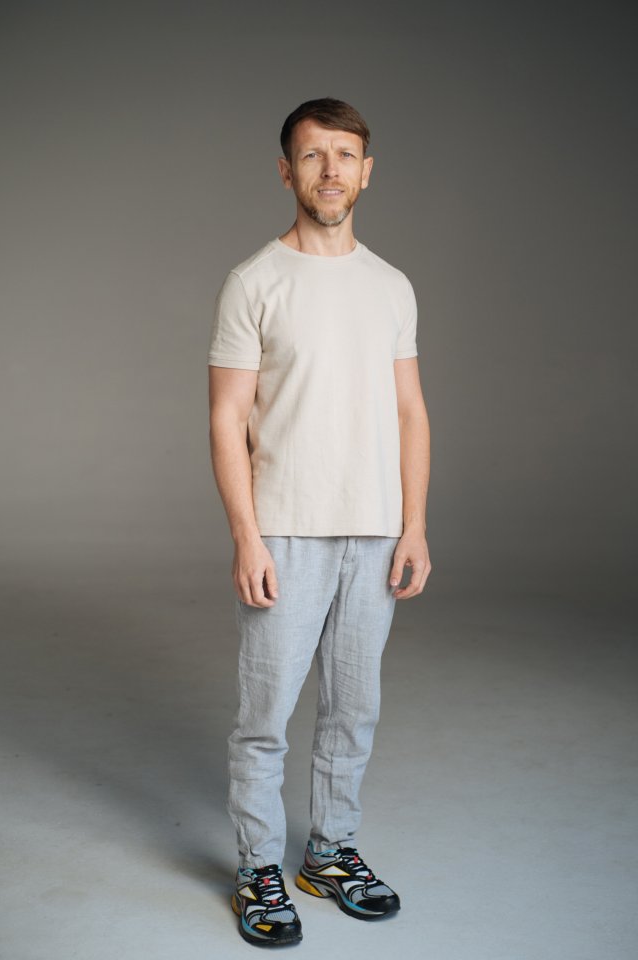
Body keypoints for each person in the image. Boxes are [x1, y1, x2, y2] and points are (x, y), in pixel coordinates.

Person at [207, 97, 431, 947]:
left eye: (344, 155)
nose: (330, 170)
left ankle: (329, 853)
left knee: (353, 707)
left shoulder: (391, 285)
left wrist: (414, 525)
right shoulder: (254, 282)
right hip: (287, 531)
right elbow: (227, 417)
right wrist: (247, 536)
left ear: (366, 172)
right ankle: (258, 868)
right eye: (312, 155)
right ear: (286, 171)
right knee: (265, 715)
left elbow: (410, 411)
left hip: (374, 533)